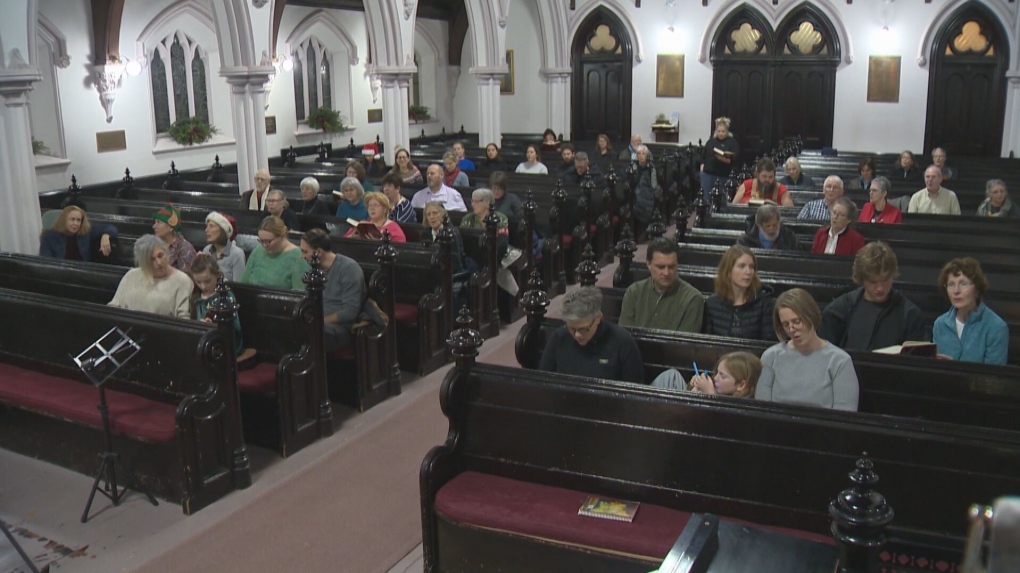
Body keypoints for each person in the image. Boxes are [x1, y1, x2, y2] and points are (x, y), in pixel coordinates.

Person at [755, 288, 860, 411]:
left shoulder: (840, 361)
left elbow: (844, 415)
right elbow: (762, 409)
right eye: (786, 324)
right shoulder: (770, 357)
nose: (792, 329)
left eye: (797, 321)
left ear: (810, 316)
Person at [819, 241, 927, 351]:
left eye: (885, 280)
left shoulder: (910, 315)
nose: (880, 288)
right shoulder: (838, 311)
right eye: (873, 282)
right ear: (862, 279)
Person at [539, 286, 644, 384]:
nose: (577, 335)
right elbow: (542, 381)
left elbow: (634, 392)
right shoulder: (559, 337)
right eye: (571, 329)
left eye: (583, 329)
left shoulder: (623, 342)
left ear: (598, 318)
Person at [300, 228, 367, 352]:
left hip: (340, 328)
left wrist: (318, 321)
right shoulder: (314, 270)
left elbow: (350, 312)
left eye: (304, 252)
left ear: (318, 252)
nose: (302, 256)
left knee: (308, 332)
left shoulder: (349, 269)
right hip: (319, 322)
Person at [932, 258, 1008, 365]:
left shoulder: (996, 327)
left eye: (963, 284)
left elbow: (993, 378)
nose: (956, 291)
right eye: (951, 284)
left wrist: (955, 369)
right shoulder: (940, 324)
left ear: (977, 288)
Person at [619, 238, 703, 332]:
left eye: (671, 267)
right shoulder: (634, 292)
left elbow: (683, 344)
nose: (666, 273)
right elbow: (625, 335)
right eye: (660, 267)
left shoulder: (692, 299)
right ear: (649, 264)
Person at [108, 234, 193, 318]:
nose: (159, 263)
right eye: (151, 259)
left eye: (160, 255)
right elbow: (114, 308)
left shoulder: (182, 281)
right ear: (143, 263)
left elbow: (184, 319)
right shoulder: (131, 275)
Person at [702, 244, 775, 340]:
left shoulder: (764, 303)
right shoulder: (712, 304)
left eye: (751, 267)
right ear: (728, 271)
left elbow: (768, 345)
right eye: (742, 266)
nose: (748, 272)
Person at [189, 254, 244, 356]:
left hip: (226, 343)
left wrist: (215, 324)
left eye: (207, 281)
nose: (203, 286)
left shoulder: (225, 295)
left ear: (217, 275)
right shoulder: (196, 298)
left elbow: (236, 328)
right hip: (203, 342)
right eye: (198, 282)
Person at [240, 216, 310, 290]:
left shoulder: (298, 256)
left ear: (282, 236)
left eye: (268, 241)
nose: (264, 245)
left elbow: (299, 292)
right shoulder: (258, 250)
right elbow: (243, 282)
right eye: (261, 241)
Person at [39, 205, 116, 262]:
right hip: (60, 275)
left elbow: (111, 228)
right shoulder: (49, 237)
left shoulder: (85, 232)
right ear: (64, 220)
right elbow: (46, 263)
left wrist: (105, 236)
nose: (75, 223)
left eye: (78, 220)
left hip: (83, 273)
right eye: (72, 219)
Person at [687, 352, 762, 398]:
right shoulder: (721, 392)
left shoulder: (743, 408)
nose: (715, 378)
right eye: (717, 372)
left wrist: (710, 393)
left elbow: (720, 418)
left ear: (741, 385)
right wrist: (695, 386)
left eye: (722, 376)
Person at [701, 116, 740, 200]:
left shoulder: (732, 142)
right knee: (707, 197)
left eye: (723, 131)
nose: (721, 133)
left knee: (722, 199)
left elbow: (735, 158)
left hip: (724, 175)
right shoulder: (711, 141)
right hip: (708, 174)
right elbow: (703, 155)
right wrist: (702, 167)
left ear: (727, 131)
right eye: (718, 131)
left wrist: (723, 158)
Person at [421, 201, 465, 274]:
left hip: (451, 274)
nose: (432, 217)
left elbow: (456, 262)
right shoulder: (425, 234)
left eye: (435, 213)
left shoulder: (452, 233)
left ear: (443, 215)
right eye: (428, 214)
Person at [737, 204, 803, 251]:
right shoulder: (745, 241)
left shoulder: (789, 237)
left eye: (775, 225)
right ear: (759, 225)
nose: (772, 229)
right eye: (767, 226)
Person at [152, 203, 196, 271]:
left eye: (159, 222)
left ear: (170, 227)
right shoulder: (154, 245)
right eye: (155, 222)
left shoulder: (185, 248)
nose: (154, 226)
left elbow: (186, 278)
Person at [202, 211, 245, 281]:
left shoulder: (237, 254)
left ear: (223, 230)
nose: (206, 230)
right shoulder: (206, 250)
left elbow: (239, 285)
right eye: (207, 226)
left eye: (211, 226)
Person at [629, 145, 660, 232]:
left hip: (648, 192)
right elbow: (632, 183)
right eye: (639, 154)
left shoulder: (651, 168)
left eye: (643, 154)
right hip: (636, 192)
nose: (641, 156)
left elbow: (654, 185)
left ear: (647, 156)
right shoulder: (633, 166)